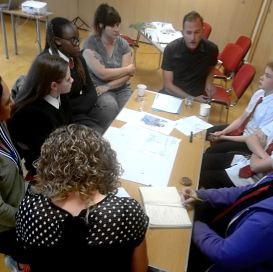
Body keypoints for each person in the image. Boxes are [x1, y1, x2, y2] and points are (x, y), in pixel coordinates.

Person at [16, 124, 149, 272]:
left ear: (47, 165)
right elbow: (140, 269)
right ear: (105, 164)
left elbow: (28, 257)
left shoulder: (30, 209)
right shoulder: (128, 212)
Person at [182, 172, 273, 272]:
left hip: (220, 262)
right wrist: (202, 195)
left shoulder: (268, 222)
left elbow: (224, 255)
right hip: (223, 229)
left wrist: (192, 223)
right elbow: (247, 191)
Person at [45, 17, 117, 134]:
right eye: (73, 40)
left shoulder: (77, 57)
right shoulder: (50, 66)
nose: (78, 44)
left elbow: (91, 92)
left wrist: (79, 106)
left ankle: (99, 131)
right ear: (57, 41)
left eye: (78, 39)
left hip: (78, 111)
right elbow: (58, 108)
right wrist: (82, 106)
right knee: (98, 136)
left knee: (110, 105)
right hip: (63, 120)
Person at [8, 53, 73, 175]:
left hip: (64, 153)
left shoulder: (61, 94)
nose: (72, 80)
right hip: (46, 168)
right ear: (54, 85)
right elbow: (43, 155)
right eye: (68, 79)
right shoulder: (29, 114)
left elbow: (69, 124)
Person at [206, 61, 273, 154]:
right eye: (264, 74)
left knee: (211, 151)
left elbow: (254, 139)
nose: (261, 78)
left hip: (250, 143)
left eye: (267, 76)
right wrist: (224, 131)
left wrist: (224, 137)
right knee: (205, 133)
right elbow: (242, 118)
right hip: (243, 130)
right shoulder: (259, 93)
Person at [82, 3, 135, 118]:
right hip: (99, 88)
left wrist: (109, 86)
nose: (117, 29)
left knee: (129, 112)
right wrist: (127, 69)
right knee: (110, 108)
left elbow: (126, 76)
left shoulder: (123, 44)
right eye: (112, 26)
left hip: (120, 87)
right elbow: (103, 74)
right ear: (101, 25)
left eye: (118, 25)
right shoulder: (90, 45)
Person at [160, 10, 218, 103]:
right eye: (189, 32)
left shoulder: (212, 49)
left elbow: (211, 68)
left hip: (198, 96)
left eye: (197, 32)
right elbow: (168, 86)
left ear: (202, 31)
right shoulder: (171, 49)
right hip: (174, 94)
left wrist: (209, 81)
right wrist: (192, 99)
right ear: (182, 33)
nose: (192, 38)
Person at [0, 76, 27, 271]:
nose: (13, 103)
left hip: (18, 201)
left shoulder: (1, 123)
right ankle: (16, 261)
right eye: (8, 101)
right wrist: (28, 218)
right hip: (5, 224)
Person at [200, 123, 273, 189]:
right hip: (244, 161)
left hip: (248, 182)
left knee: (201, 176)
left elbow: (255, 167)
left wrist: (258, 147)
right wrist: (223, 137)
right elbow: (250, 138)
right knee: (201, 161)